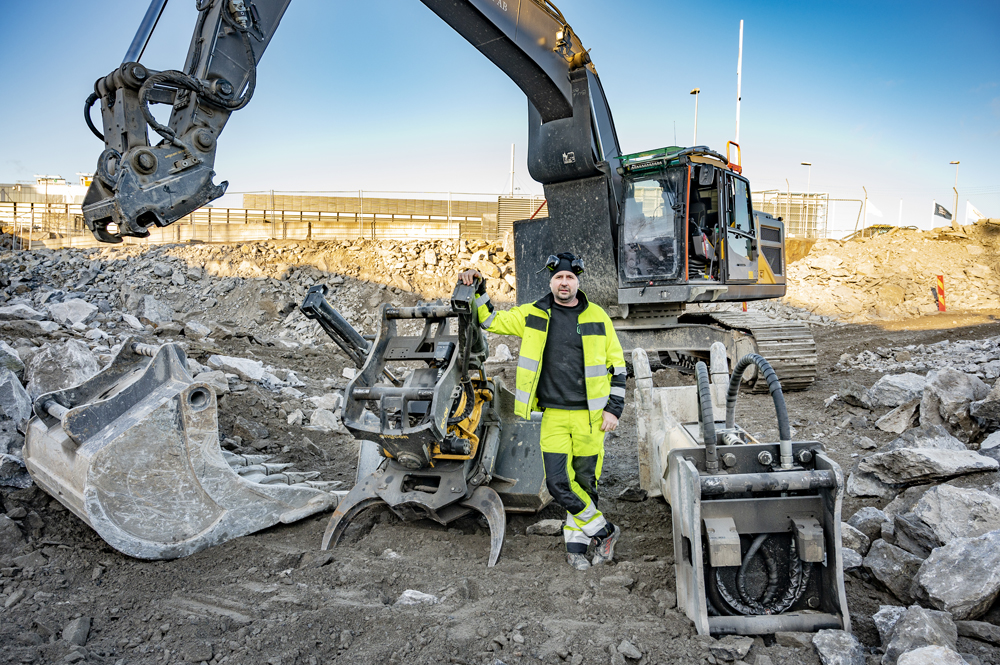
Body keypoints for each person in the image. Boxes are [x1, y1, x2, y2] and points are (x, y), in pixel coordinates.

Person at [459, 252, 626, 570]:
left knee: (585, 482)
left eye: (570, 277)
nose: (564, 282)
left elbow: (618, 367)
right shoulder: (533, 314)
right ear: (551, 281)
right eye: (559, 277)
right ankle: (605, 532)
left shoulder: (597, 318)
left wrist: (613, 410)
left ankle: (576, 548)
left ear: (578, 282)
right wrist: (478, 286)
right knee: (558, 483)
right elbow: (491, 319)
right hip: (553, 415)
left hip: (590, 417)